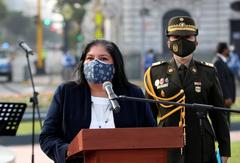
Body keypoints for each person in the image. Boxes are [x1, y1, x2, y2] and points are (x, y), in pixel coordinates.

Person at [39, 39, 156, 163]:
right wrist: (68, 150)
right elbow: (47, 137)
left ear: (115, 66)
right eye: (90, 58)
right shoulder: (66, 92)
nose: (95, 63)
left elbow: (151, 135)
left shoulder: (132, 94)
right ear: (83, 63)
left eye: (103, 58)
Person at [144, 16, 230, 163]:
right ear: (168, 42)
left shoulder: (208, 72)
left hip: (201, 143)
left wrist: (224, 149)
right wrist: (146, 148)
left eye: (187, 36)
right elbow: (148, 117)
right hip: (166, 145)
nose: (182, 40)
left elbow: (218, 114)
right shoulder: (154, 73)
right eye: (176, 36)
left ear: (196, 41)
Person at [212, 42, 236, 124]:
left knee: (226, 123)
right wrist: (226, 97)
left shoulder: (222, 62)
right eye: (228, 49)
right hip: (224, 100)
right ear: (224, 50)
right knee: (224, 124)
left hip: (226, 100)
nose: (229, 51)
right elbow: (221, 81)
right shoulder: (218, 62)